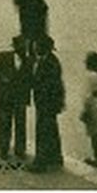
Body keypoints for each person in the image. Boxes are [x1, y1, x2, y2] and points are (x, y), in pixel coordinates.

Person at [29, 35, 66, 172]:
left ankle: (40, 163)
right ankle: (55, 157)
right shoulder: (50, 61)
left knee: (43, 131)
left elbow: (49, 86)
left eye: (36, 46)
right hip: (48, 104)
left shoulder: (49, 63)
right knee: (51, 129)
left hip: (46, 103)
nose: (34, 49)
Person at [0, 35, 33, 161]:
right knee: (4, 122)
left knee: (20, 124)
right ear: (15, 47)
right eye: (21, 46)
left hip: (19, 97)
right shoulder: (3, 56)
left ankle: (20, 150)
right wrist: (3, 77)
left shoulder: (28, 61)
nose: (23, 49)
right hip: (5, 95)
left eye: (24, 47)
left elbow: (30, 79)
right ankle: (3, 148)